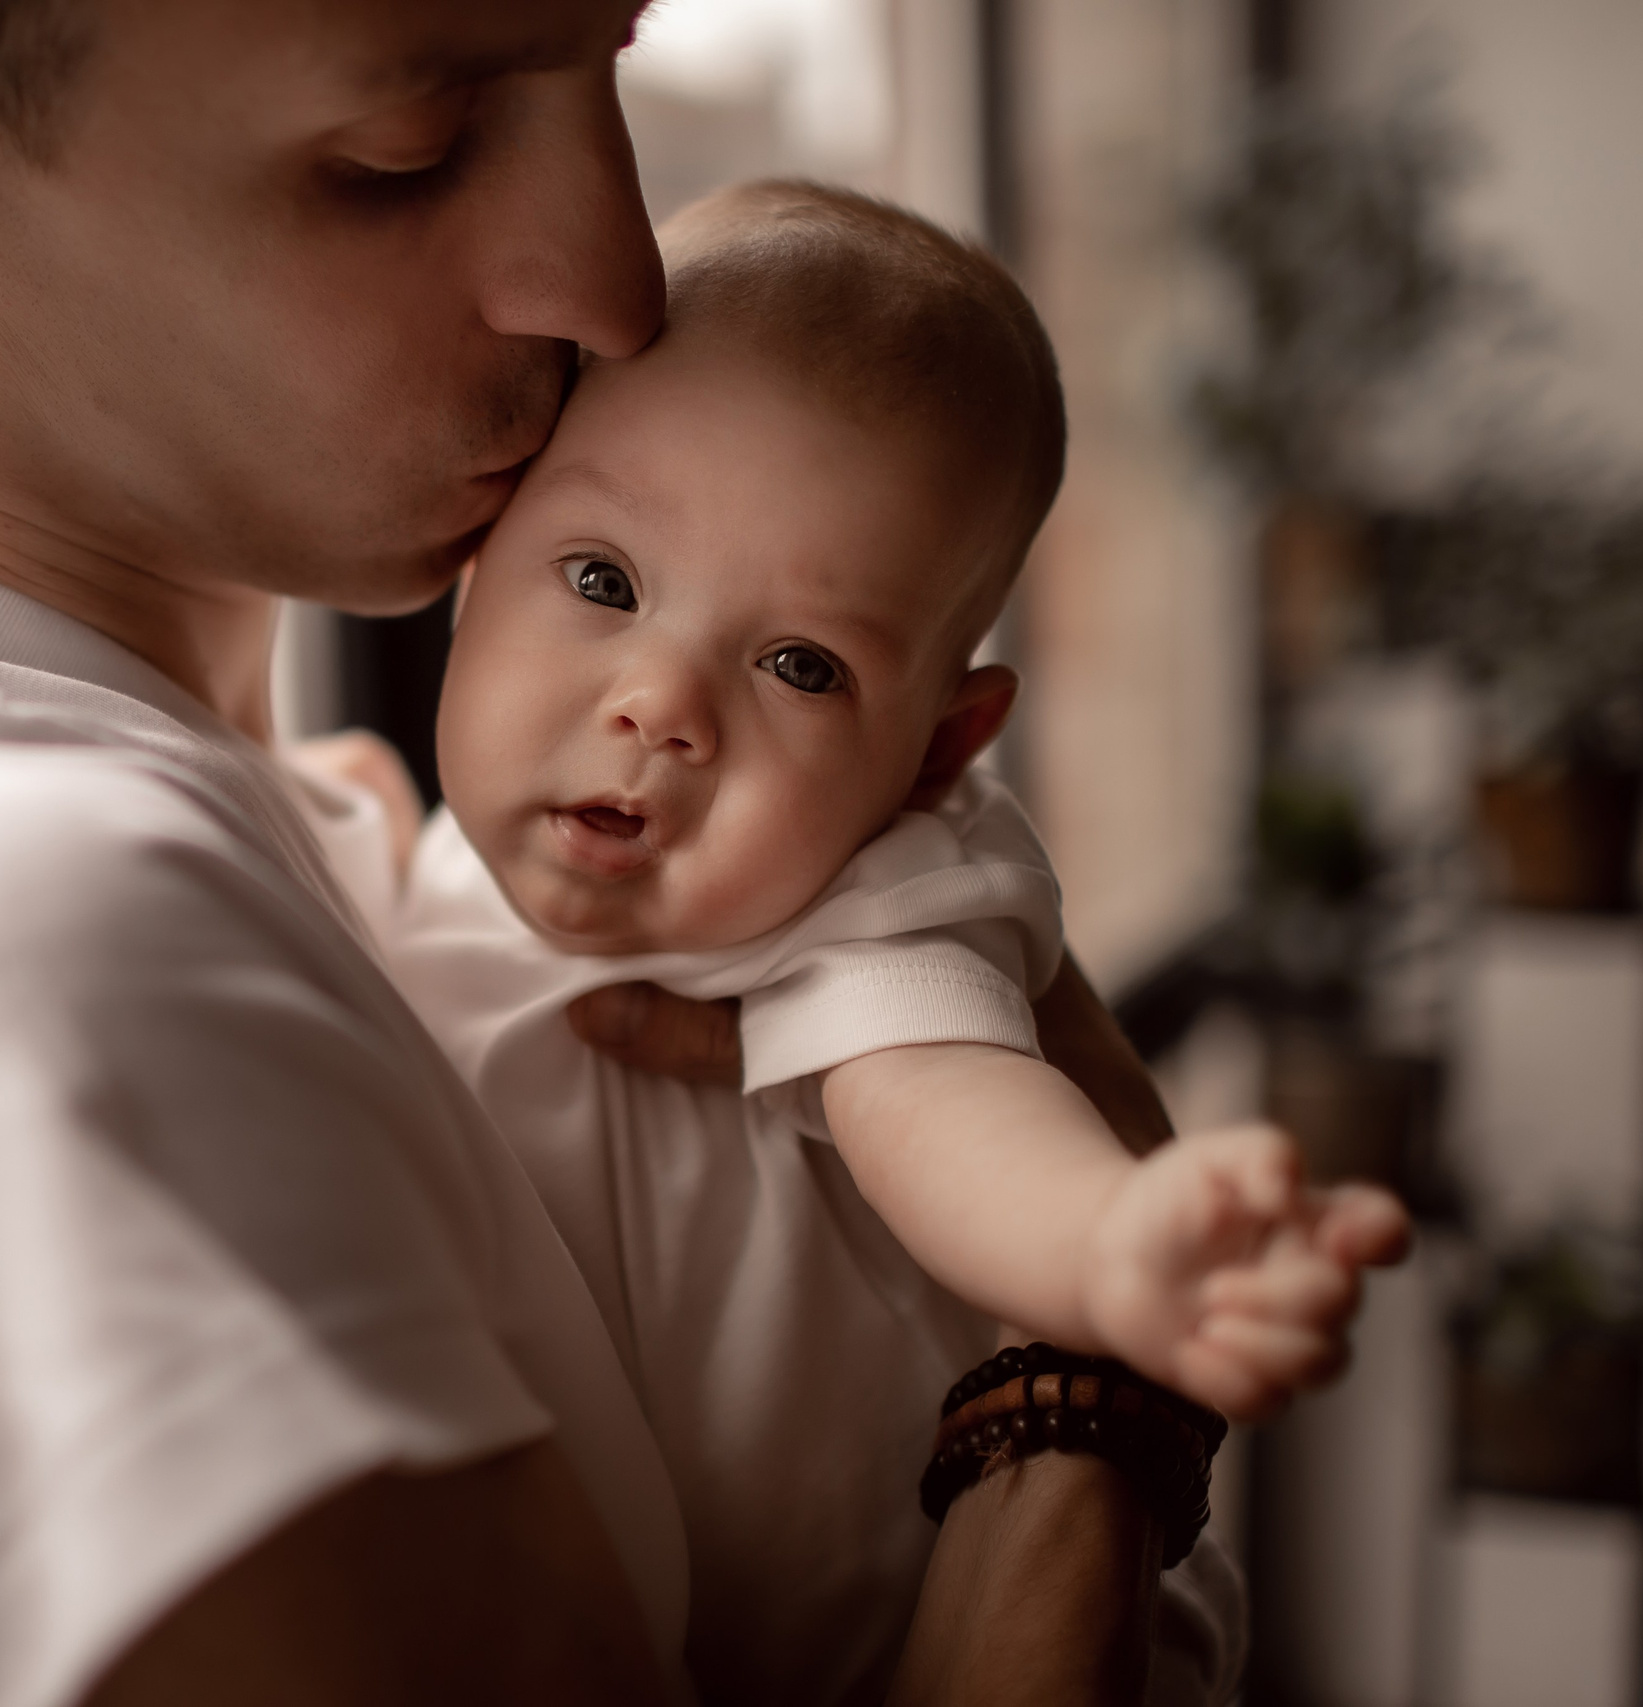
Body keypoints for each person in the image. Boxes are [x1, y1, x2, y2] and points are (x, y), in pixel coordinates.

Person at [0, 3, 1359, 1702]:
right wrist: (1076, 1417)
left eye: (608, 57)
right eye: (410, 140)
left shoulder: (303, 845)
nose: (618, 283)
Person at [384, 180, 1413, 1704]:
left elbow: (946, 1106)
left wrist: (1107, 1249)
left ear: (938, 752)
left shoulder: (868, 904)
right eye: (601, 582)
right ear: (474, 568)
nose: (660, 705)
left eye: (801, 666)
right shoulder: (410, 858)